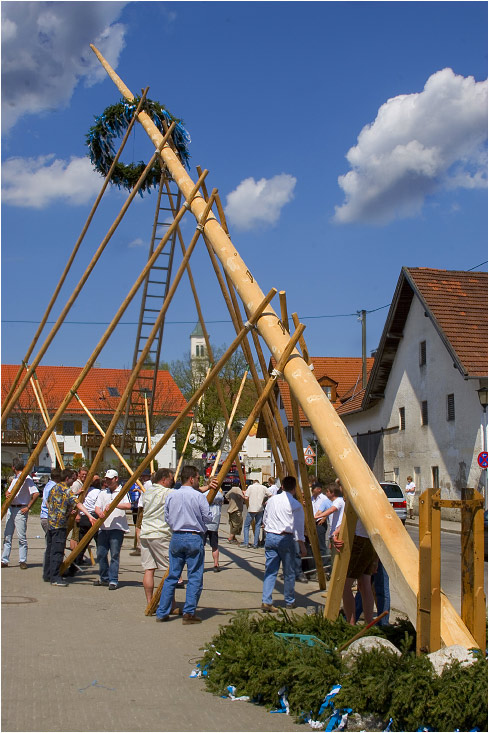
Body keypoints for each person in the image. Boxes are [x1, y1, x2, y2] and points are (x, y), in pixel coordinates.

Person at [155, 466, 217, 624]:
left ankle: (162, 611)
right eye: (197, 478)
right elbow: (208, 517)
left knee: (172, 576)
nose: (198, 480)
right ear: (192, 479)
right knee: (195, 576)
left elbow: (167, 517)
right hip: (193, 536)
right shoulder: (198, 496)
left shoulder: (172, 496)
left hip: (176, 536)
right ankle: (189, 613)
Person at [44, 468, 97, 586]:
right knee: (57, 552)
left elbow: (48, 503)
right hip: (59, 525)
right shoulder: (66, 490)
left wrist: (66, 511)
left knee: (50, 550)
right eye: (72, 479)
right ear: (67, 479)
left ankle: (47, 574)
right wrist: (89, 515)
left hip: (51, 524)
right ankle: (55, 577)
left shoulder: (54, 488)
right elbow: (77, 503)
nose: (73, 482)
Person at [261, 475, 307, 612]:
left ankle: (266, 600)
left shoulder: (272, 500)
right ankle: (289, 600)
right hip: (285, 538)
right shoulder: (296, 505)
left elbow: (265, 518)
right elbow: (298, 528)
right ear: (294, 488)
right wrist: (302, 545)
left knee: (270, 570)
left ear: (282, 486)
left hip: (270, 536)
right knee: (289, 571)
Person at [139, 467, 179, 612]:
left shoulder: (147, 491)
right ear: (164, 479)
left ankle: (150, 602)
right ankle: (171, 604)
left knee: (149, 569)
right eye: (170, 478)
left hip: (145, 533)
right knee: (171, 571)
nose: (172, 481)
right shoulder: (167, 492)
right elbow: (186, 494)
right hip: (160, 533)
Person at [93, 469, 132, 590]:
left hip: (117, 528)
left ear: (116, 479)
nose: (108, 481)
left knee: (114, 554)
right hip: (104, 527)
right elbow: (97, 507)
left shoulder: (122, 492)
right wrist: (99, 512)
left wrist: (116, 504)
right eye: (107, 479)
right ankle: (104, 577)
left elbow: (128, 505)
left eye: (110, 479)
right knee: (101, 553)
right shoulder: (103, 493)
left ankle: (113, 579)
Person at [1, 458, 40, 569]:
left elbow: (36, 493)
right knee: (7, 535)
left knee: (21, 536)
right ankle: (4, 560)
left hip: (20, 509)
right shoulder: (15, 479)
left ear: (13, 467)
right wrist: (7, 493)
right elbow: (9, 492)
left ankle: (22, 560)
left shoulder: (26, 479)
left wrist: (28, 506)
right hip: (11, 508)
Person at [241, 480, 272, 548]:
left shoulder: (250, 487)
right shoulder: (263, 487)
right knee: (258, 526)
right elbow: (270, 495)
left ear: (253, 482)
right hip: (260, 508)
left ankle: (246, 542)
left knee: (246, 526)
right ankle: (256, 544)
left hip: (252, 508)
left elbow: (246, 498)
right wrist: (264, 502)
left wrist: (243, 494)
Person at [311, 480, 332, 570]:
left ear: (319, 489)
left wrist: (324, 518)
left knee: (321, 546)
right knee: (313, 545)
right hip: (312, 523)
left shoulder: (324, 499)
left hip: (320, 523)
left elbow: (330, 509)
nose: (312, 490)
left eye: (313, 488)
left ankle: (324, 566)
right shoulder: (312, 498)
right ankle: (316, 564)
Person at [203, 486, 224, 571]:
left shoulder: (204, 494)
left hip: (205, 521)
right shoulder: (220, 495)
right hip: (215, 520)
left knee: (201, 545)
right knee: (214, 545)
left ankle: (200, 564)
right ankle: (216, 563)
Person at [40, 468, 62, 536]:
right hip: (49, 518)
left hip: (44, 516)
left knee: (50, 540)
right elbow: (48, 503)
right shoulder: (54, 487)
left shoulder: (48, 485)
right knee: (51, 541)